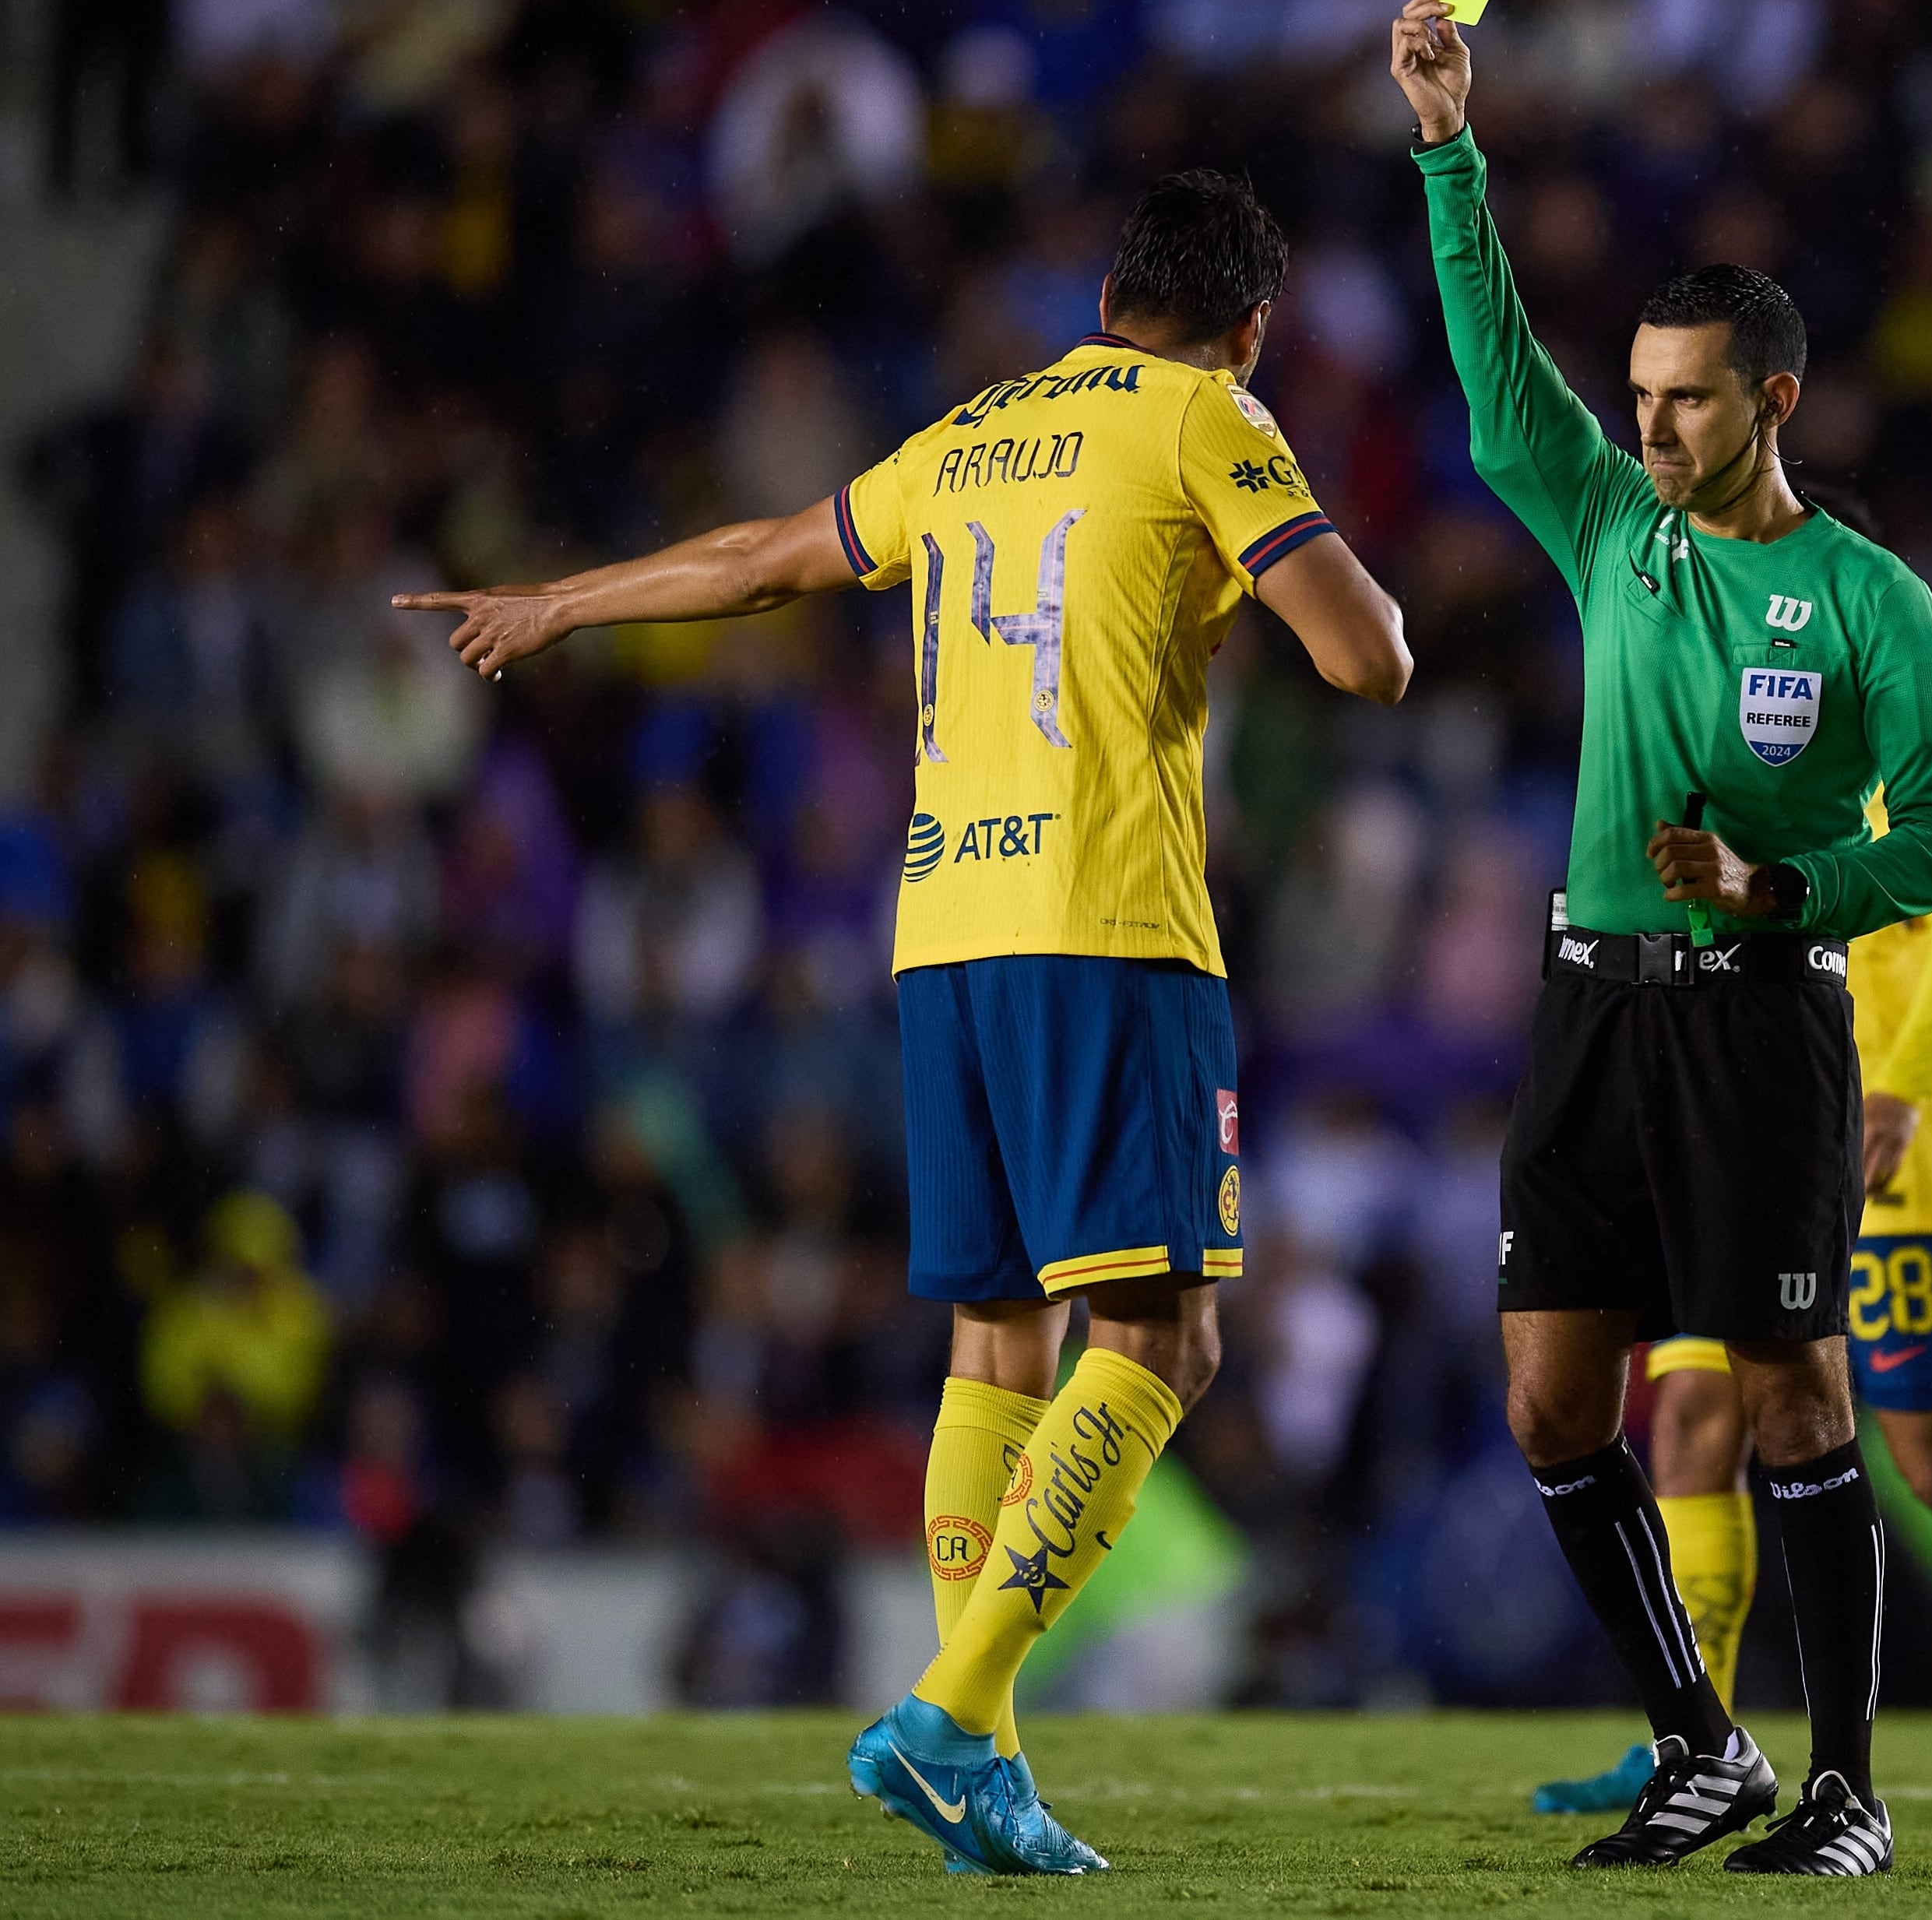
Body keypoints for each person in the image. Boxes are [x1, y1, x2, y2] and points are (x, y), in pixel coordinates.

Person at [394, 172, 1409, 1875]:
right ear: (1247, 327)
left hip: (941, 932)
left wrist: (563, 600)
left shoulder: (971, 433)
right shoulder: (1210, 417)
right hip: (1109, 930)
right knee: (1161, 1341)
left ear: (1101, 290)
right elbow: (1368, 656)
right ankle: (950, 1709)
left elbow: (764, 563)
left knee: (995, 1340)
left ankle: (979, 1765)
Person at [1391, 0, 1932, 1876]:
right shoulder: (1612, 532)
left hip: (1757, 1021)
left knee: (1788, 1393)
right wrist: (1448, 152)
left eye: (1685, 401)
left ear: (1773, 404)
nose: (1644, 429)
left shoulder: (1865, 599)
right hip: (1589, 1012)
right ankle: (1696, 1744)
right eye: (1638, 397)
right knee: (1553, 1394)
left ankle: (1848, 1790)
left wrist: (1782, 889)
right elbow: (1498, 382)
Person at [1529, 864, 1932, 1822]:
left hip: (1890, 1161)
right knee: (1698, 1418)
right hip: (1754, 1147)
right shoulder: (1725, 776)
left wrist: (1904, 1091)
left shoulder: (1857, 778)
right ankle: (1696, 1736)